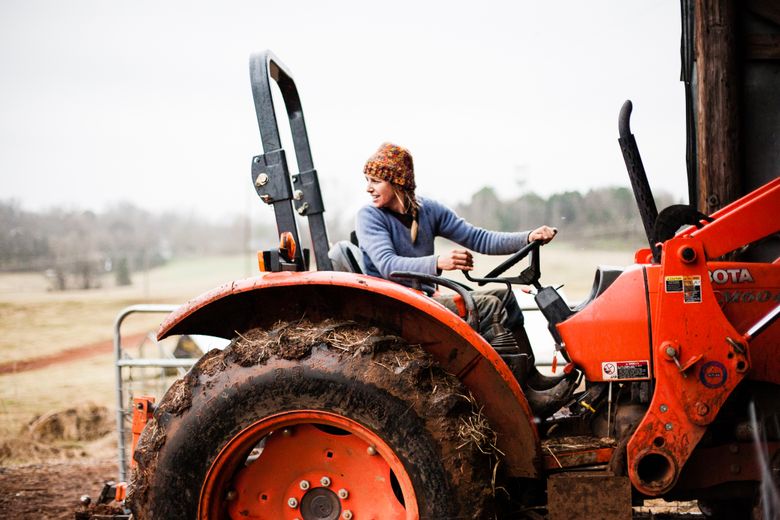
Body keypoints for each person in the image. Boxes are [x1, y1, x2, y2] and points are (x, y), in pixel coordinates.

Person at [355, 142, 560, 389]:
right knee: (487, 305)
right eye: (367, 180)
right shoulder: (370, 217)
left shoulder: (428, 210)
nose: (368, 188)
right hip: (399, 305)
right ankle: (514, 391)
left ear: (397, 182)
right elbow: (389, 266)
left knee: (504, 295)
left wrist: (527, 237)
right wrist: (439, 262)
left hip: (423, 298)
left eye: (375, 181)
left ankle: (533, 380)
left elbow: (479, 238)